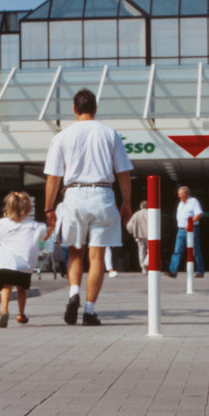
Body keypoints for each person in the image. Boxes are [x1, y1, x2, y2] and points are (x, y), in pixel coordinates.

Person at [43, 88, 133, 326]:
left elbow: (53, 177)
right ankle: (90, 311)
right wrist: (126, 203)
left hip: (73, 195)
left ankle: (74, 294)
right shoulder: (109, 134)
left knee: (75, 251)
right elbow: (123, 172)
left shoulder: (62, 136)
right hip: (103, 193)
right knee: (97, 256)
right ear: (95, 109)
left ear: (74, 109)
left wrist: (49, 209)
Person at [0, 191, 51, 327]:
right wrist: (53, 226)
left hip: (7, 263)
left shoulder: (2, 224)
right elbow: (45, 236)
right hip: (25, 265)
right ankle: (21, 314)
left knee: (6, 287)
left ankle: (4, 311)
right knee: (21, 289)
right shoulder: (35, 226)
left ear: (8, 208)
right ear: (29, 209)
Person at [166, 186, 204, 278]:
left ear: (187, 194)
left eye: (181, 194)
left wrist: (190, 223)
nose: (179, 196)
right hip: (181, 230)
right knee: (177, 250)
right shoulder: (180, 203)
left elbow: (199, 214)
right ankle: (173, 271)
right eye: (179, 194)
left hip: (192, 229)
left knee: (195, 250)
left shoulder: (193, 201)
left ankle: (200, 271)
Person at [127, 201, 150, 273]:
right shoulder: (150, 213)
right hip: (149, 235)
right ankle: (146, 263)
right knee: (150, 251)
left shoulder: (136, 214)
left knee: (141, 251)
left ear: (141, 206)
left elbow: (129, 226)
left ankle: (143, 267)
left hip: (139, 235)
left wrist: (132, 232)